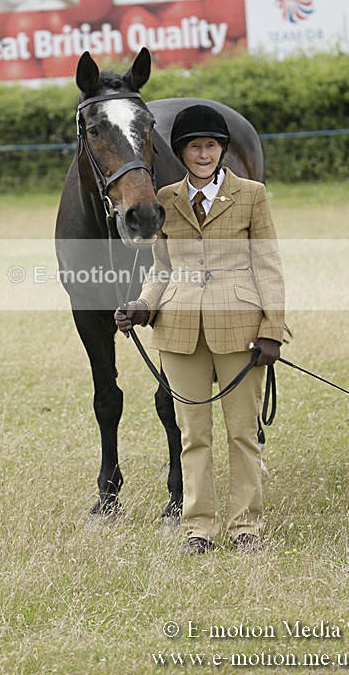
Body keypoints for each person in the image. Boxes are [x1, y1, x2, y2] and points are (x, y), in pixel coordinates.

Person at [115, 104, 285, 554]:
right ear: (182, 152)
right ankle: (199, 527)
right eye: (195, 147)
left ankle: (246, 525)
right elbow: (160, 270)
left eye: (211, 146)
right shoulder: (166, 200)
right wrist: (141, 307)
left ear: (223, 150)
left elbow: (268, 265)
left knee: (242, 433)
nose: (204, 154)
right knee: (193, 435)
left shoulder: (252, 195)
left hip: (240, 327)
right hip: (180, 330)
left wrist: (272, 327)